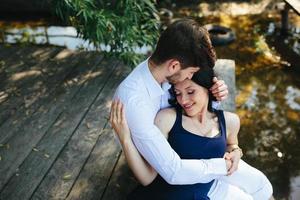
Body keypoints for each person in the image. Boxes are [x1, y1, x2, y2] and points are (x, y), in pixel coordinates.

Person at [110, 18, 272, 199]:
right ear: (174, 65)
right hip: (174, 175)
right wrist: (221, 166)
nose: (191, 76)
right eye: (192, 72)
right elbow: (171, 172)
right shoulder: (135, 103)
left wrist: (214, 92)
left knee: (262, 186)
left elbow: (195, 101)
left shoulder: (165, 72)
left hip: (197, 151)